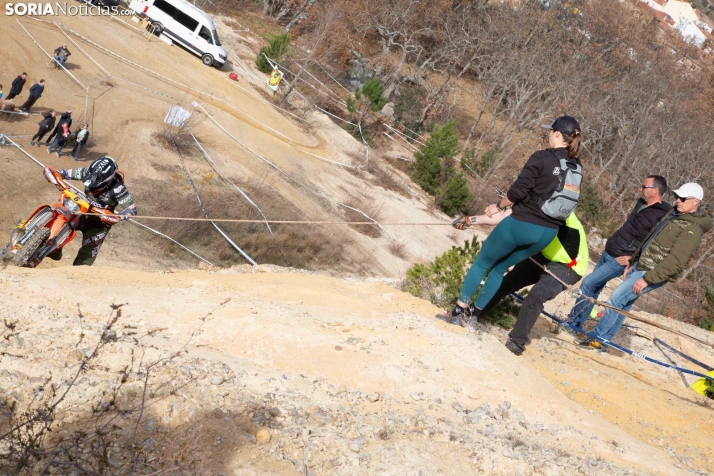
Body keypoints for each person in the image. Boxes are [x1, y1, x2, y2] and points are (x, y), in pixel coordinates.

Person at [442, 115, 583, 325]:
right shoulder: (576, 165)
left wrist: (498, 206)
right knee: (499, 269)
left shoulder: (542, 157)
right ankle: (472, 316)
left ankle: (456, 313)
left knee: (482, 263)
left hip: (522, 225)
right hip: (547, 233)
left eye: (549, 131)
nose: (548, 134)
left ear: (556, 133)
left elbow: (518, 191)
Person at [578, 183, 711, 351]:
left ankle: (596, 338)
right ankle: (603, 341)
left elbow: (676, 261)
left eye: (683, 198)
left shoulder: (692, 228)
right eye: (677, 196)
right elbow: (651, 238)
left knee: (615, 298)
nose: (678, 200)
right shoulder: (674, 214)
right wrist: (633, 261)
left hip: (650, 271)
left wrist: (647, 279)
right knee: (623, 304)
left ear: (695, 202)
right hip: (640, 264)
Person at [564, 175, 672, 334]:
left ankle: (573, 324)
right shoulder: (641, 203)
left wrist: (633, 258)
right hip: (610, 251)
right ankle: (577, 323)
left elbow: (655, 244)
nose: (640, 189)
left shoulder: (662, 215)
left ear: (655, 190)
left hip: (620, 259)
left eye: (644, 187)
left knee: (588, 283)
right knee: (594, 287)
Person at [45, 157, 137, 266]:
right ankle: (54, 251)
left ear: (107, 181)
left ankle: (77, 276)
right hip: (82, 211)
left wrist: (118, 217)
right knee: (61, 219)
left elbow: (132, 209)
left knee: (87, 254)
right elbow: (63, 173)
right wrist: (54, 176)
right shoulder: (86, 171)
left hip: (100, 223)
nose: (92, 185)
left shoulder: (118, 188)